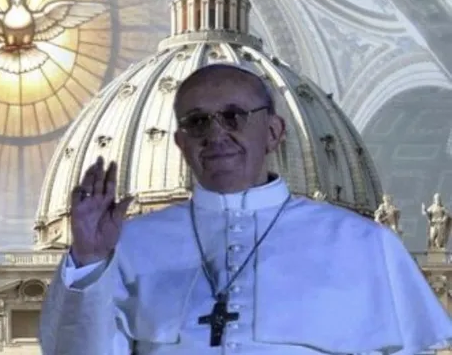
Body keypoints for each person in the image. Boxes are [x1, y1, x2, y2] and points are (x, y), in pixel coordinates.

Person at [39, 63, 452, 354]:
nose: (215, 134)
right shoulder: (127, 247)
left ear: (273, 132)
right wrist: (89, 260)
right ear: (181, 143)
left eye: (233, 117)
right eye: (197, 122)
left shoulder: (364, 244)